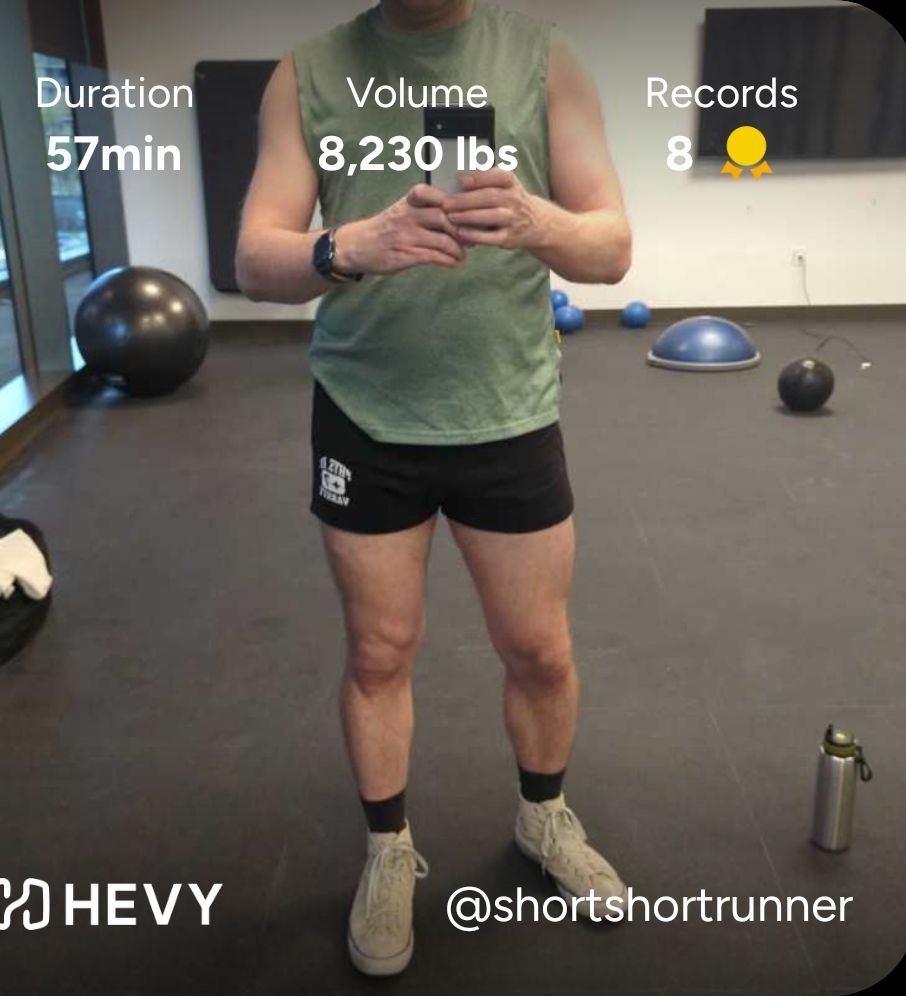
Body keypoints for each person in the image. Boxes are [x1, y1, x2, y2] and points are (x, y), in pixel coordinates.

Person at [236, 0, 631, 976]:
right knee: (379, 650)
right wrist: (345, 248)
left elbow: (612, 248)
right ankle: (388, 851)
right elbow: (253, 258)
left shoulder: (546, 61)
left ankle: (544, 820)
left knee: (539, 647)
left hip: (509, 412)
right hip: (366, 415)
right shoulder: (307, 71)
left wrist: (540, 222)